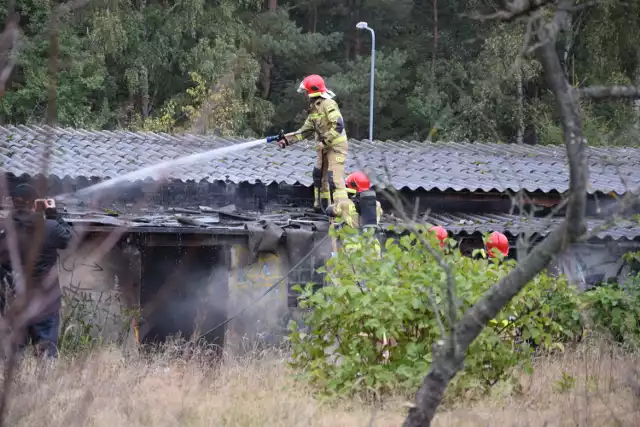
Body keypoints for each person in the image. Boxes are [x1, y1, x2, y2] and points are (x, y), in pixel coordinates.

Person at [0, 183, 73, 358]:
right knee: (47, 354)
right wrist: (53, 214)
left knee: (15, 356)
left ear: (13, 204)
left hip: (15, 301)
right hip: (45, 302)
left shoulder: (5, 232)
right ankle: (45, 384)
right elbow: (70, 239)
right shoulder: (49, 227)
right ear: (35, 204)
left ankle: (18, 384)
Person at [277, 74, 349, 214]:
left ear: (313, 90)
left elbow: (338, 125)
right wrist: (286, 140)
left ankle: (343, 210)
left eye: (306, 91)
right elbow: (304, 132)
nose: (305, 94)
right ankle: (321, 206)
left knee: (334, 178)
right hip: (323, 148)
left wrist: (325, 141)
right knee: (318, 175)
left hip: (336, 147)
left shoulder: (328, 104)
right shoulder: (314, 109)